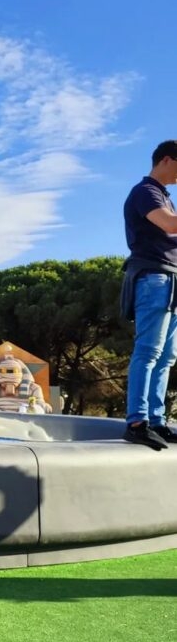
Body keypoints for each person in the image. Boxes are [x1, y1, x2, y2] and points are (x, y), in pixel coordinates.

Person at [121, 140, 177, 449]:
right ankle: (137, 422)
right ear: (167, 160)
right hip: (154, 278)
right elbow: (169, 226)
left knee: (167, 356)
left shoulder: (165, 197)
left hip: (170, 279)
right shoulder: (146, 192)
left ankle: (157, 421)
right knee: (149, 351)